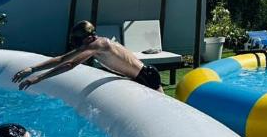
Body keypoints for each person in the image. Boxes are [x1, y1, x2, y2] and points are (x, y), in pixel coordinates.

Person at [12, 20, 163, 92]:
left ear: (88, 37)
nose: (79, 45)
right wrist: (32, 69)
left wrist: (39, 77)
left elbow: (68, 64)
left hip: (147, 76)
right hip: (141, 75)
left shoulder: (97, 45)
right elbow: (62, 59)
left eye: (80, 41)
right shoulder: (93, 44)